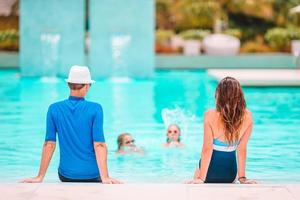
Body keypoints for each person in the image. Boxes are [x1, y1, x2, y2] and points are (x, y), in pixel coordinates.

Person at [22, 65, 121, 184]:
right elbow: (99, 145)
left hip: (66, 175)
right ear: (87, 86)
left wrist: (39, 177)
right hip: (93, 175)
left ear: (69, 84)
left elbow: (49, 144)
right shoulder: (96, 108)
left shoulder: (54, 109)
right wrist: (105, 177)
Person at [187, 77, 256, 184]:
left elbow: (207, 149)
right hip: (230, 174)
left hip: (209, 173)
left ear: (219, 95)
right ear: (240, 96)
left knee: (197, 172)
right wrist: (242, 178)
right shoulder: (248, 116)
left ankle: (200, 176)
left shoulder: (210, 115)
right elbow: (241, 149)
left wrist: (201, 179)